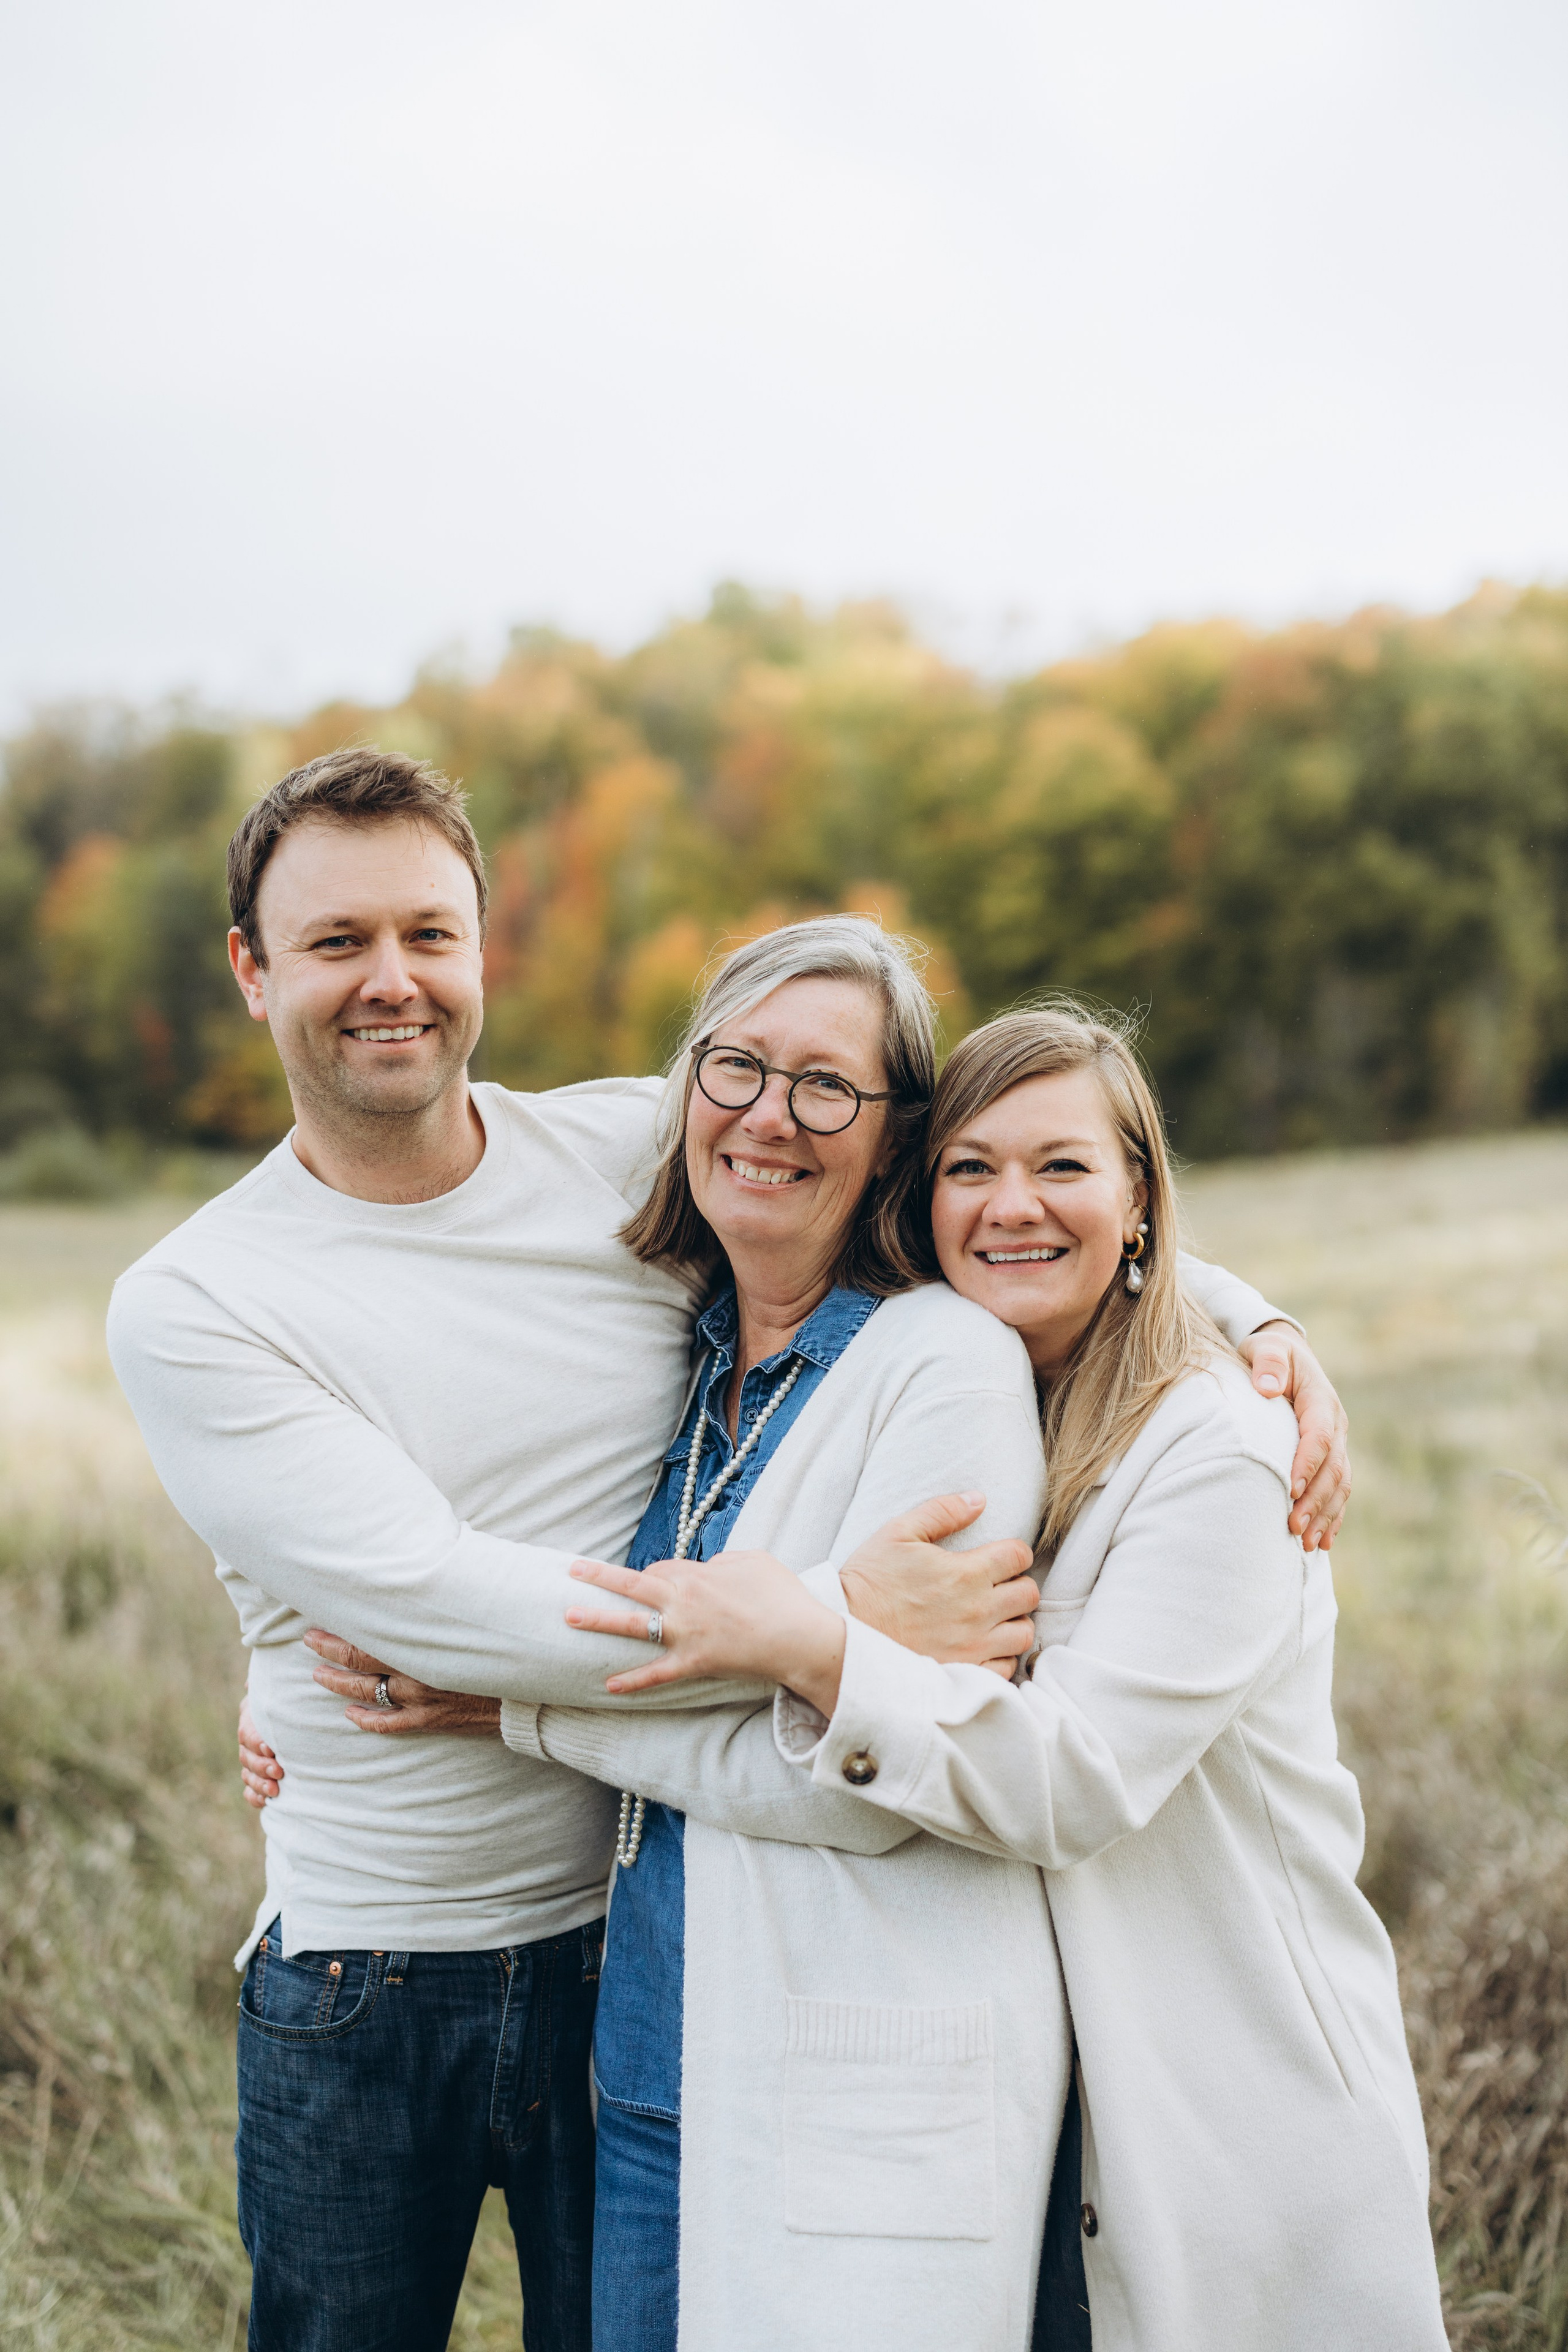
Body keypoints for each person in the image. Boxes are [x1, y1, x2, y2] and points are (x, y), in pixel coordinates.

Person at [114, 739, 1335, 2352]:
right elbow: (436, 1601)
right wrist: (832, 1619)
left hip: (634, 1939)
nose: (390, 980)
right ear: (251, 970)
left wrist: (1251, 1320)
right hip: (375, 1959)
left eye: (429, 932)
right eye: (337, 942)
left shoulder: (628, 1145)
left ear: (486, 951)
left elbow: (995, 1148)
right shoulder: (199, 1298)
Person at [561, 1004, 1446, 2351]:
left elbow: (1067, 1776)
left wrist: (808, 1640)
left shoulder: (1217, 1453)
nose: (1008, 1205)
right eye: (967, 1168)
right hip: (1050, 2109)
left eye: (1061, 1167)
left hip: (1228, 2096)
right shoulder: (995, 1396)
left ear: (1141, 1194)